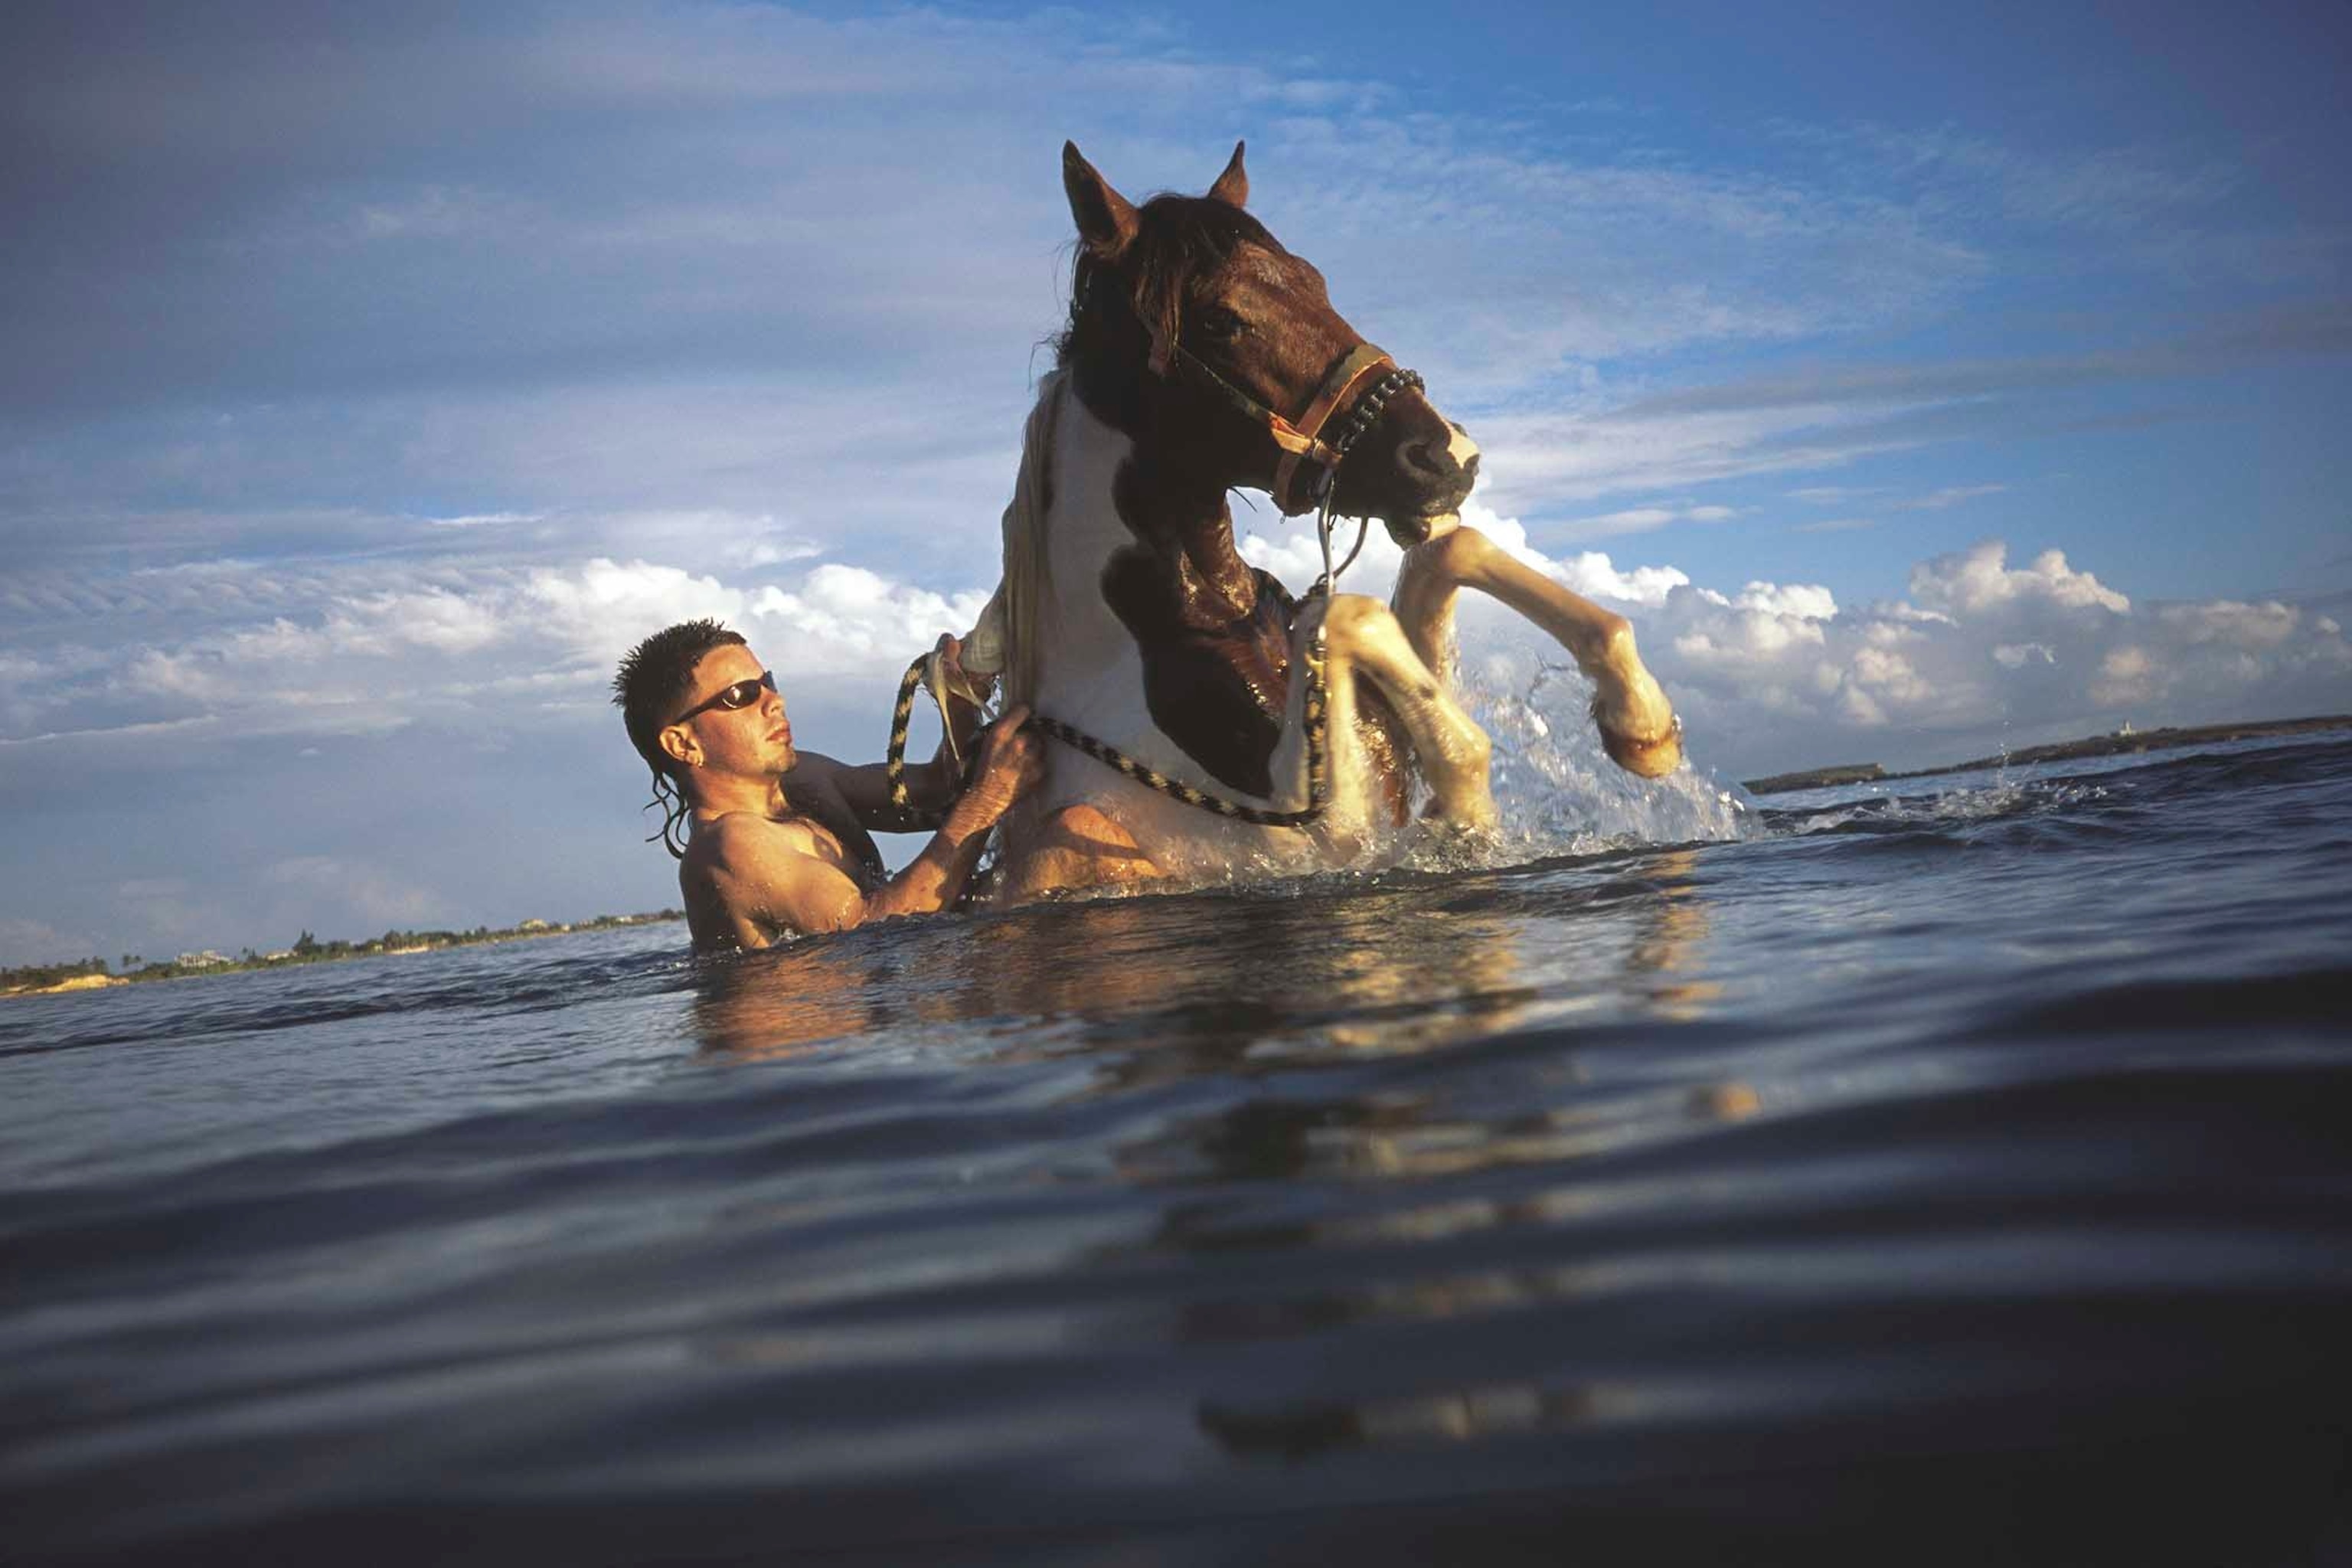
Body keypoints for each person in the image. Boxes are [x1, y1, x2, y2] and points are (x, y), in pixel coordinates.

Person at [612, 619, 1042, 951]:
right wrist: (988, 801)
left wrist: (960, 696)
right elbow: (871, 931)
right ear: (682, 743)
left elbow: (938, 789)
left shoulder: (806, 779)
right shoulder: (731, 844)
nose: (774, 701)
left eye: (768, 684)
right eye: (741, 696)